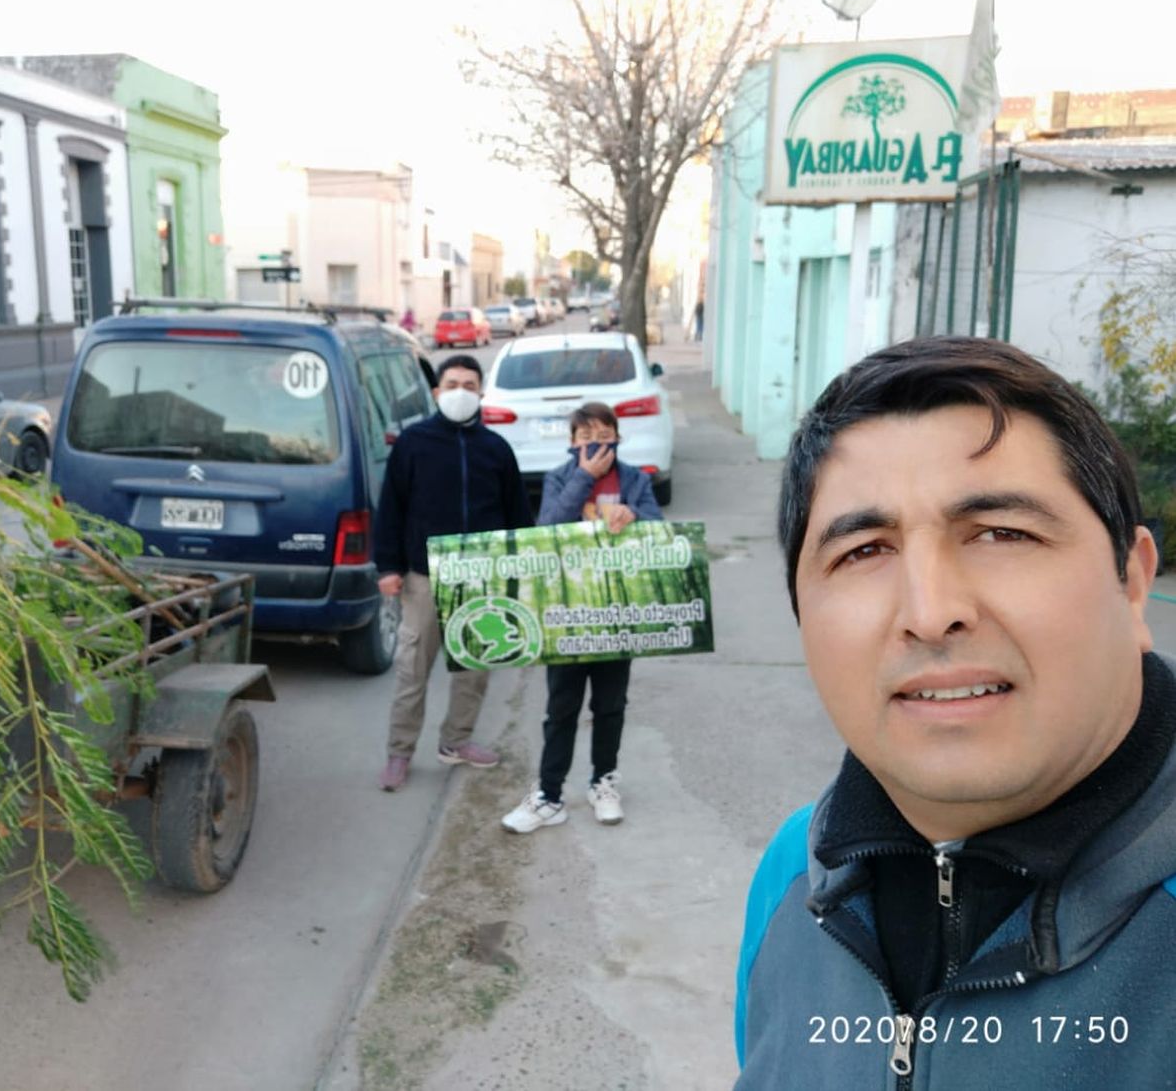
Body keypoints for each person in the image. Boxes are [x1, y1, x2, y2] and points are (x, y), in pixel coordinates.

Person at [735, 336, 1176, 1087]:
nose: (931, 612)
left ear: (1132, 582)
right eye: (864, 551)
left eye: (1003, 533)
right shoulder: (794, 876)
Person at [374, 354, 535, 792]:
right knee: (412, 669)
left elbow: (517, 514)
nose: (460, 391)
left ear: (481, 392)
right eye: (452, 384)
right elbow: (391, 508)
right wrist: (388, 566)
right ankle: (399, 752)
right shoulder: (413, 444)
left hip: (482, 578)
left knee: (474, 667)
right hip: (423, 577)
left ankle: (456, 741)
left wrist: (521, 571)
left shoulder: (496, 449)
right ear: (436, 391)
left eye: (469, 384)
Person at [500, 402, 663, 833]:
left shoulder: (634, 479)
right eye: (585, 433)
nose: (596, 441)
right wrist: (585, 478)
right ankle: (549, 795)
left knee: (610, 704)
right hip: (567, 612)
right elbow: (548, 525)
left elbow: (659, 526)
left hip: (618, 611)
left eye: (604, 432)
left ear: (617, 437)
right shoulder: (558, 478)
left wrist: (636, 516)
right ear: (573, 442)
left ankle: (603, 782)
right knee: (561, 707)